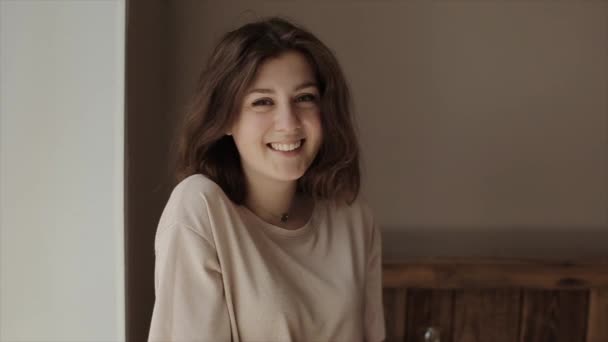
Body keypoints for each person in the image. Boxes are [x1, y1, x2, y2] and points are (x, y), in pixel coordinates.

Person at [148, 16, 386, 342]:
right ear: (226, 119)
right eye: (263, 102)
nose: (289, 123)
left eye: (304, 97)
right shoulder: (200, 209)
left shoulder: (353, 218)